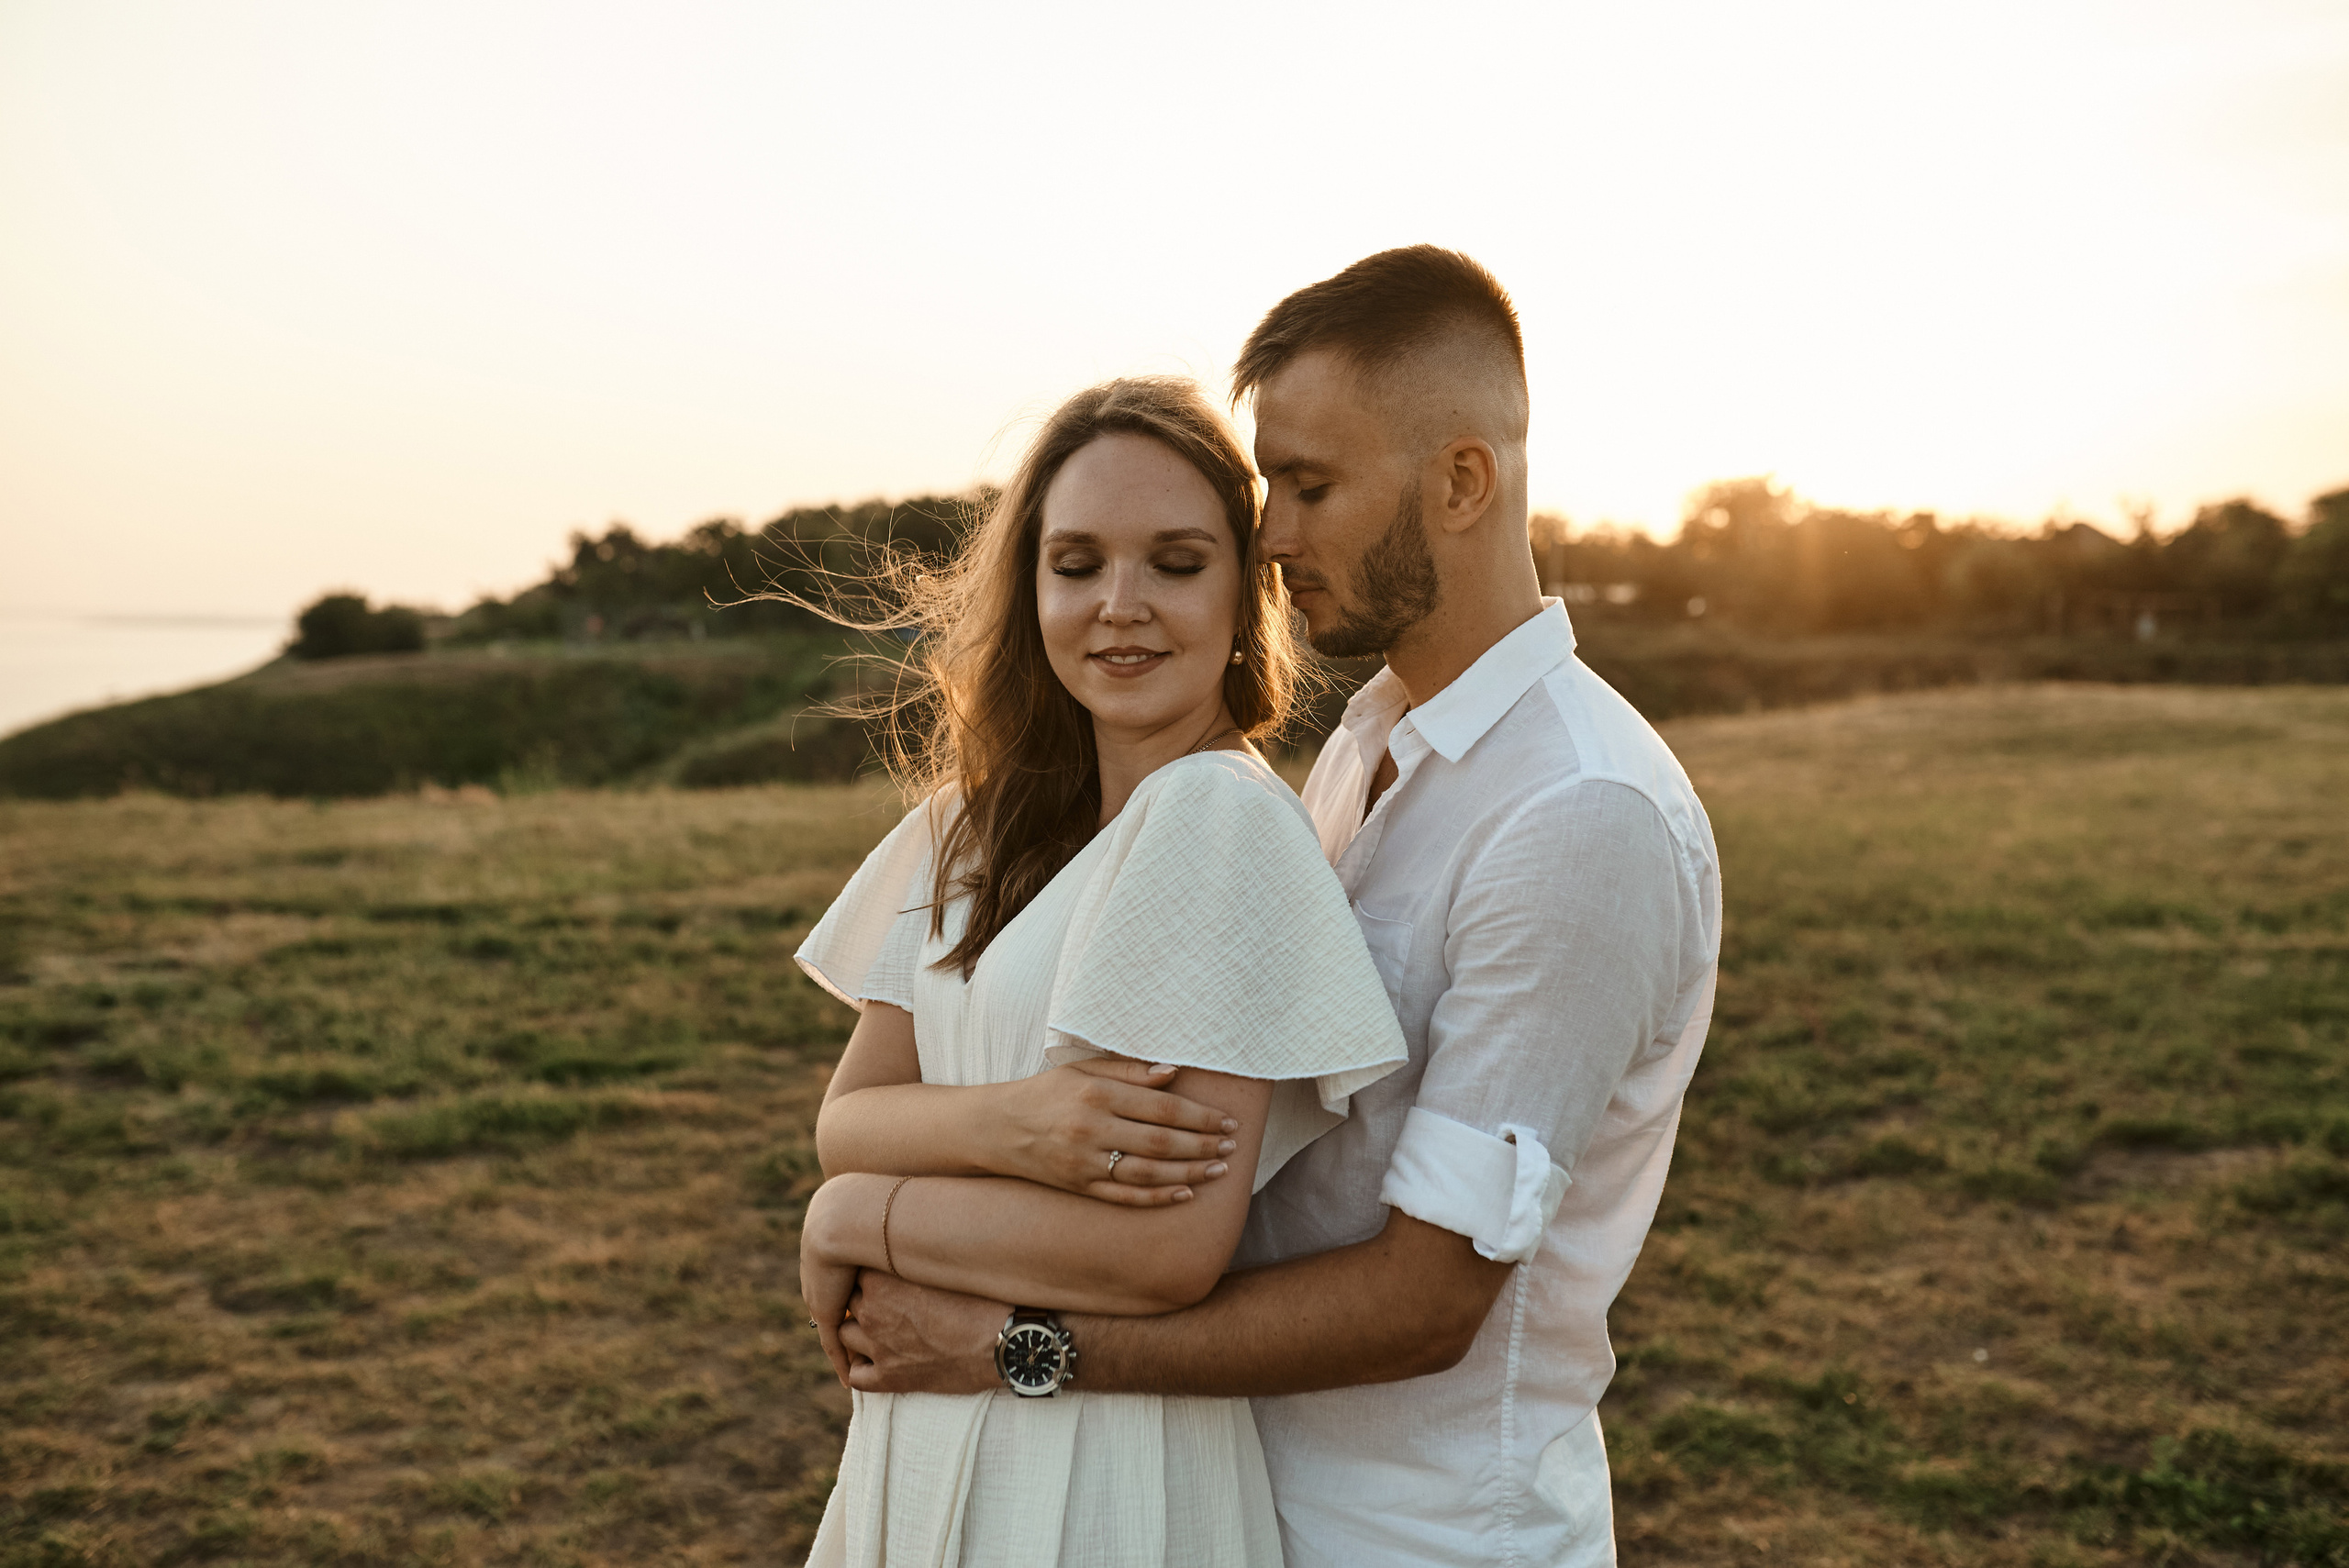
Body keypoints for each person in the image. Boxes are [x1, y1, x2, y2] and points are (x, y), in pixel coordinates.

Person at [832, 247, 1724, 1567]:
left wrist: (1011, 1343)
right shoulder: (1368, 750)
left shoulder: (1578, 816)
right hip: (1228, 1486)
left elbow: (1427, 1303)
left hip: (1419, 1535)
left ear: (1463, 480)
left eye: (1310, 485)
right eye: (1271, 487)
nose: (1277, 534)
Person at [790, 374, 1409, 1566]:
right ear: (1031, 589)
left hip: (1095, 1473)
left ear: (1244, 592)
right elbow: (848, 1114)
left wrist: (855, 1212)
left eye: (1175, 562)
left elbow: (1161, 1251)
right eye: (1078, 563)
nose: (1120, 606)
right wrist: (1023, 1123)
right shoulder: (961, 830)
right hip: (918, 1440)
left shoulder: (1215, 821)